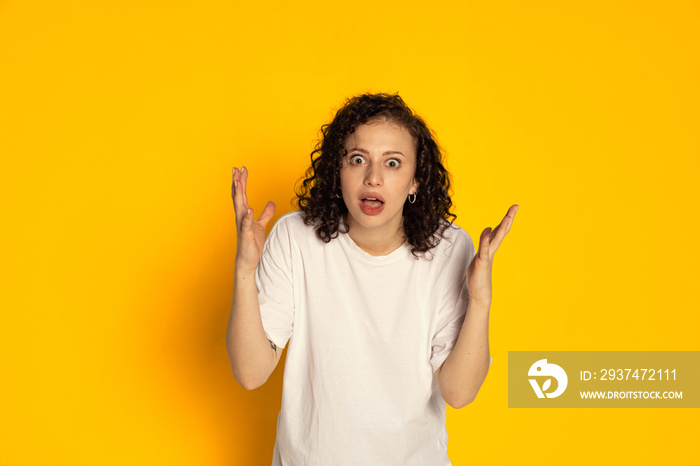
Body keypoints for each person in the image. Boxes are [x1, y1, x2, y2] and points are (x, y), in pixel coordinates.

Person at [227, 93, 517, 465]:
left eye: (393, 163)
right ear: (338, 170)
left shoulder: (449, 248)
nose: (373, 177)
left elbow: (459, 393)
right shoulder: (295, 237)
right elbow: (251, 373)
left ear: (415, 182)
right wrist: (244, 271)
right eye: (358, 159)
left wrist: (480, 301)